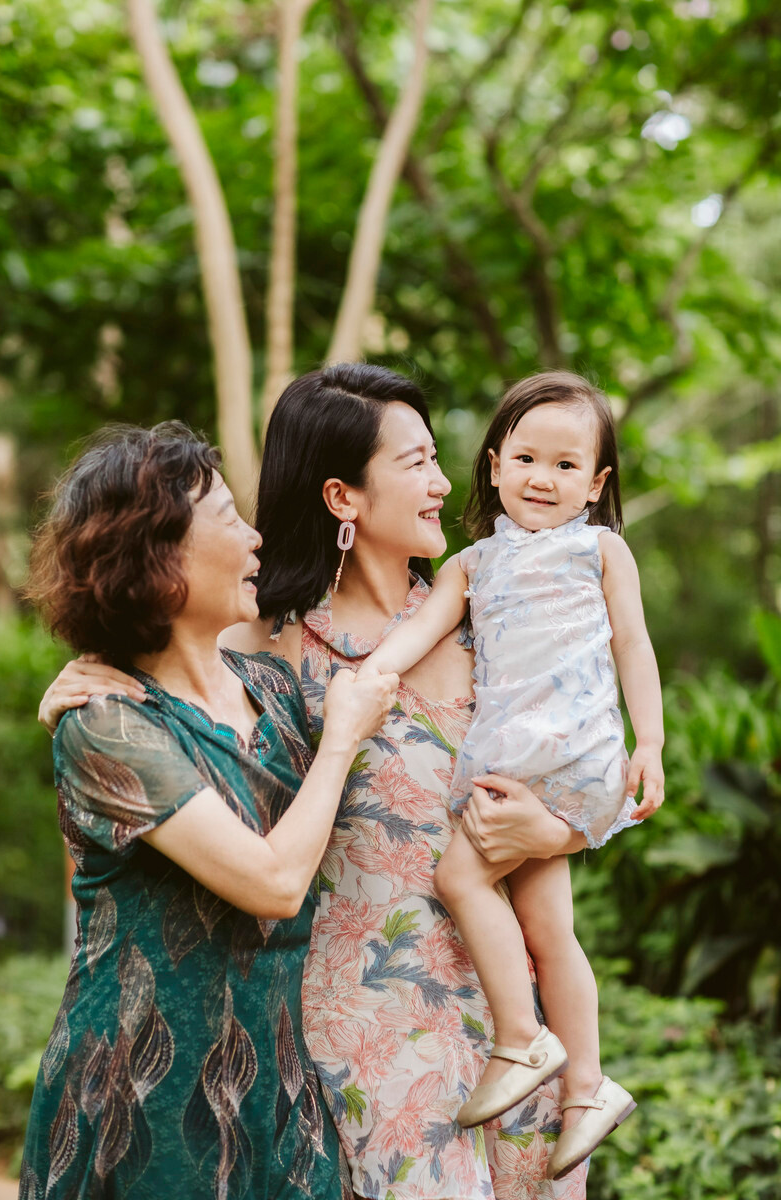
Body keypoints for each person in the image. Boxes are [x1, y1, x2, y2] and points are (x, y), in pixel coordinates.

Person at [39, 366, 590, 1199]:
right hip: (368, 1034)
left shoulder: (497, 618)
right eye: (416, 463)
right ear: (343, 497)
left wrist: (563, 832)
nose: (446, 483)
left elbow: (586, 762)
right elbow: (179, 712)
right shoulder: (276, 654)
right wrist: (73, 690)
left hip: (513, 1024)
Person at [22, 421, 397, 1199]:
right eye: (228, 518)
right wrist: (339, 747)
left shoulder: (278, 690)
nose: (255, 538)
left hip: (281, 1099)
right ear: (159, 557)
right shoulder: (108, 725)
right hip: (146, 1112)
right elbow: (271, 883)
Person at [358, 371, 664, 1179]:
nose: (543, 478)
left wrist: (651, 743)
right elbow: (417, 630)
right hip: (525, 765)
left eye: (568, 467)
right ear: (492, 466)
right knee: (549, 930)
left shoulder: (601, 550)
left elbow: (634, 645)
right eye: (527, 457)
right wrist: (369, 674)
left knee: (460, 876)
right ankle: (589, 1085)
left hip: (561, 759)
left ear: (597, 486)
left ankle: (523, 1039)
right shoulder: (474, 563)